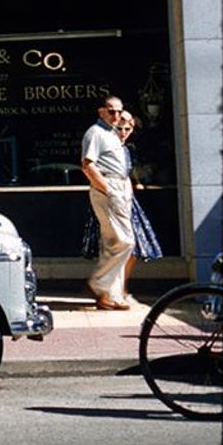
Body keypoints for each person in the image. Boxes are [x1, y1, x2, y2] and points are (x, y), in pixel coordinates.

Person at [83, 111, 163, 292]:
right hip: (110, 199)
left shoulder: (127, 150)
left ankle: (117, 288)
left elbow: (130, 172)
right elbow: (91, 169)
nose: (124, 132)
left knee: (132, 247)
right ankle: (108, 288)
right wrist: (109, 191)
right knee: (117, 245)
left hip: (126, 199)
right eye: (120, 128)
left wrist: (135, 182)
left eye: (128, 128)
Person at [80, 94, 135, 311]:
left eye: (119, 111)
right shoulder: (95, 133)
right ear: (101, 111)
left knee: (111, 243)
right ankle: (99, 282)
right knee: (125, 241)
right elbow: (87, 165)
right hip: (108, 187)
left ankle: (110, 296)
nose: (116, 115)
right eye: (111, 111)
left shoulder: (112, 133)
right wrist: (109, 189)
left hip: (121, 186)